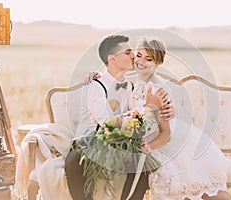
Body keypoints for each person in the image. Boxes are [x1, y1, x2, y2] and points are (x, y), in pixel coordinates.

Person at [126, 36, 231, 200]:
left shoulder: (158, 90)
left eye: (149, 59)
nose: (141, 61)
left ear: (157, 63)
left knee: (201, 191)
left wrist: (148, 148)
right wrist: (95, 76)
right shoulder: (133, 80)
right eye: (139, 55)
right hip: (147, 138)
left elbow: (166, 133)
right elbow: (112, 79)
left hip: (166, 143)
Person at [65, 34, 172, 200]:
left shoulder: (129, 85)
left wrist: (160, 109)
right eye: (129, 53)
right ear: (112, 59)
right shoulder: (96, 85)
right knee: (76, 161)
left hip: (117, 139)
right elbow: (106, 123)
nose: (134, 57)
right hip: (90, 139)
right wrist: (143, 111)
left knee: (141, 164)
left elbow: (140, 116)